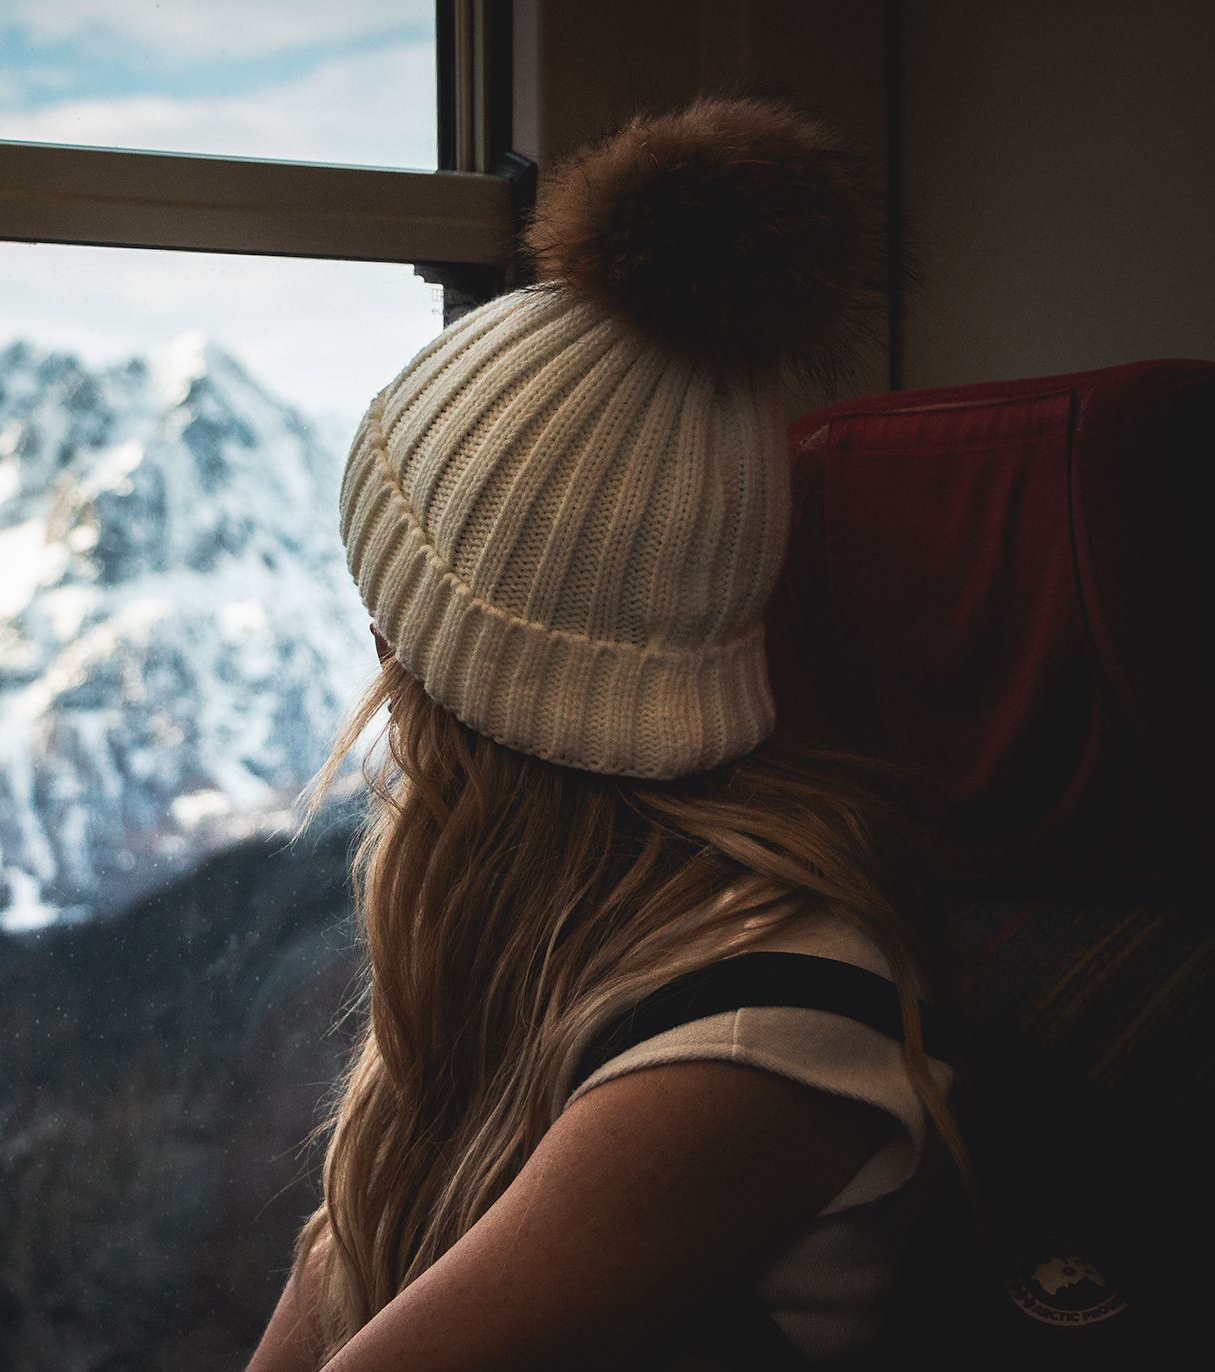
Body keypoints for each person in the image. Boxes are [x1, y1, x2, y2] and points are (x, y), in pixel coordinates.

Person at [246, 95, 966, 1371]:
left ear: (462, 665)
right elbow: (340, 1261)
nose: (375, 660)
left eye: (390, 620)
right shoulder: (520, 926)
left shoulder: (757, 1028)